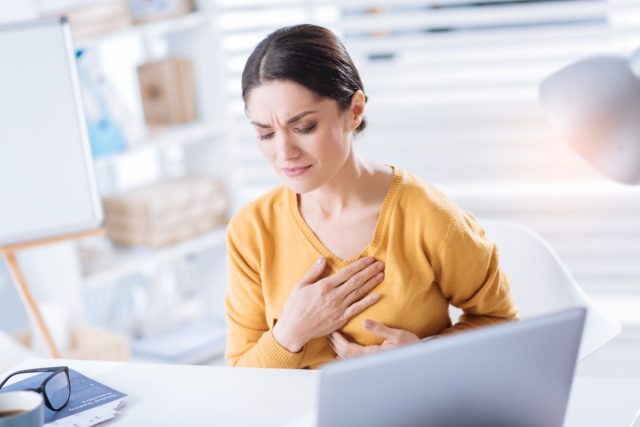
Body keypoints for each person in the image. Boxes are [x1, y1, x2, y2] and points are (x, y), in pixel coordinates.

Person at [224, 24, 518, 369]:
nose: (283, 153)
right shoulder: (252, 231)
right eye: (265, 134)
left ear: (355, 110)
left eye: (303, 128)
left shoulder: (430, 218)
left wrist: (424, 353)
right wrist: (290, 332)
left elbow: (503, 327)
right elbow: (240, 377)